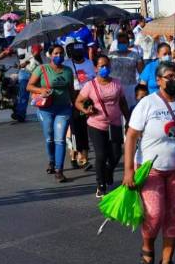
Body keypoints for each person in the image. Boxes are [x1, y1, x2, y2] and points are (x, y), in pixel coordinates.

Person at [124, 61, 175, 264]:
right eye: (169, 76)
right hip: (151, 170)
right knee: (154, 215)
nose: (174, 80)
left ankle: (167, 263)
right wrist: (128, 170)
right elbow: (131, 137)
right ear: (159, 80)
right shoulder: (147, 103)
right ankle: (147, 250)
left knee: (174, 217)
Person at [77, 55, 130, 197]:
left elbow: (123, 103)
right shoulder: (90, 85)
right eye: (101, 66)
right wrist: (85, 110)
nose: (105, 68)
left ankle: (108, 172)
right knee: (101, 155)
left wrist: (128, 120)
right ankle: (101, 185)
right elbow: (79, 102)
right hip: (96, 124)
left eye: (107, 65)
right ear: (96, 68)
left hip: (115, 124)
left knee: (116, 154)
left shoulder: (117, 83)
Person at [26, 44, 75, 183]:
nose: (59, 56)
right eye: (56, 53)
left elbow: (71, 90)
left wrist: (75, 106)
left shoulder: (68, 71)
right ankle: (52, 161)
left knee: (60, 139)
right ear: (50, 55)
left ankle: (59, 170)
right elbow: (29, 86)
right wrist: (41, 90)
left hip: (63, 109)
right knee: (49, 138)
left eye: (61, 53)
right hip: (45, 109)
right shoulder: (41, 69)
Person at [0, 43, 43, 122]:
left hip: (37, 71)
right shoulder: (16, 44)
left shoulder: (34, 43)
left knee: (40, 94)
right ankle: (20, 113)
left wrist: (27, 62)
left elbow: (36, 53)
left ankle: (47, 112)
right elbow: (5, 53)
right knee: (20, 89)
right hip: (24, 71)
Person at [64, 41, 96, 170]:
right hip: (72, 97)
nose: (78, 53)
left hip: (87, 97)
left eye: (80, 50)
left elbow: (94, 79)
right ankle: (73, 154)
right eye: (75, 51)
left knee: (84, 129)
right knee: (74, 129)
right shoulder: (66, 65)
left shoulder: (89, 63)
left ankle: (84, 157)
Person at [110, 31, 144, 108]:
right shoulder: (111, 55)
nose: (122, 44)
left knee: (130, 108)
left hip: (130, 87)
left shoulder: (135, 56)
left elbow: (141, 72)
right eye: (120, 42)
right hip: (115, 87)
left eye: (124, 42)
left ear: (128, 43)